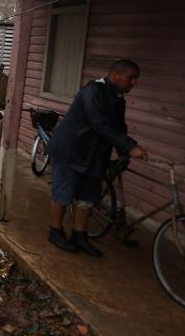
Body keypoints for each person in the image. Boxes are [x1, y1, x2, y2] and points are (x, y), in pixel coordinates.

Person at [45, 59, 148, 256]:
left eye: (136, 79)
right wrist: (131, 145)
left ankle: (79, 235)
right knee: (63, 193)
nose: (133, 83)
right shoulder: (92, 92)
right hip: (71, 151)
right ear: (115, 75)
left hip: (93, 155)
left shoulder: (118, 99)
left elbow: (119, 128)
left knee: (87, 198)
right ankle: (55, 231)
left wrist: (124, 153)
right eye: (131, 78)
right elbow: (99, 123)